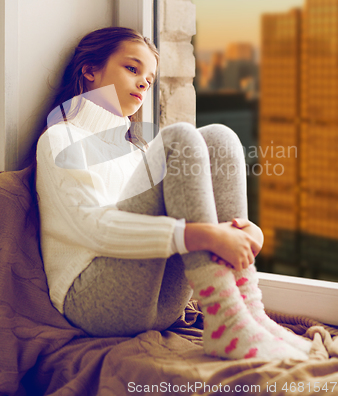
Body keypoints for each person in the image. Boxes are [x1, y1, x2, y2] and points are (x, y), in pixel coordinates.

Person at [36, 27, 311, 361]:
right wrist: (201, 235)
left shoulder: (139, 150)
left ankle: (246, 311)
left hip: (162, 303)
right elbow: (94, 229)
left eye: (149, 79)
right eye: (132, 69)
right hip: (93, 302)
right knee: (178, 138)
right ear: (90, 70)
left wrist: (242, 229)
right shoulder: (60, 138)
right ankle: (227, 318)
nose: (142, 83)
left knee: (220, 138)